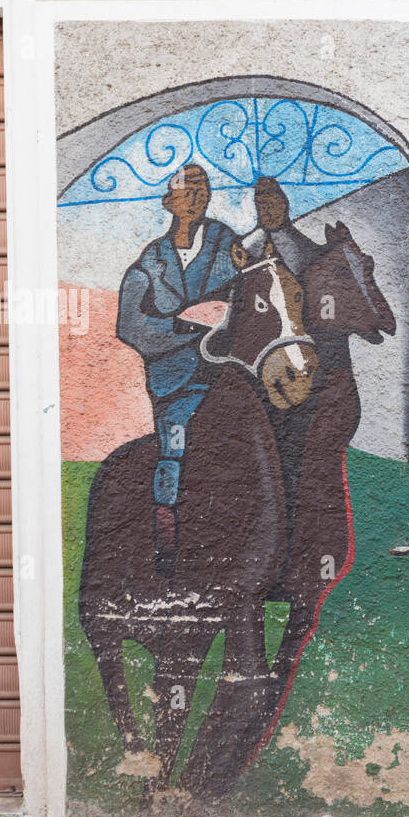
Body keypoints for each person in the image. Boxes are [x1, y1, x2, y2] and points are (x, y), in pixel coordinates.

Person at [116, 164, 240, 577]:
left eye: (204, 190)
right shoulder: (151, 262)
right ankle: (168, 546)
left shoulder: (231, 246)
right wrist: (189, 322)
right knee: (176, 446)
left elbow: (259, 295)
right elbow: (131, 326)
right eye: (189, 191)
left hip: (232, 371)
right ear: (170, 201)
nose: (198, 197)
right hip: (177, 381)